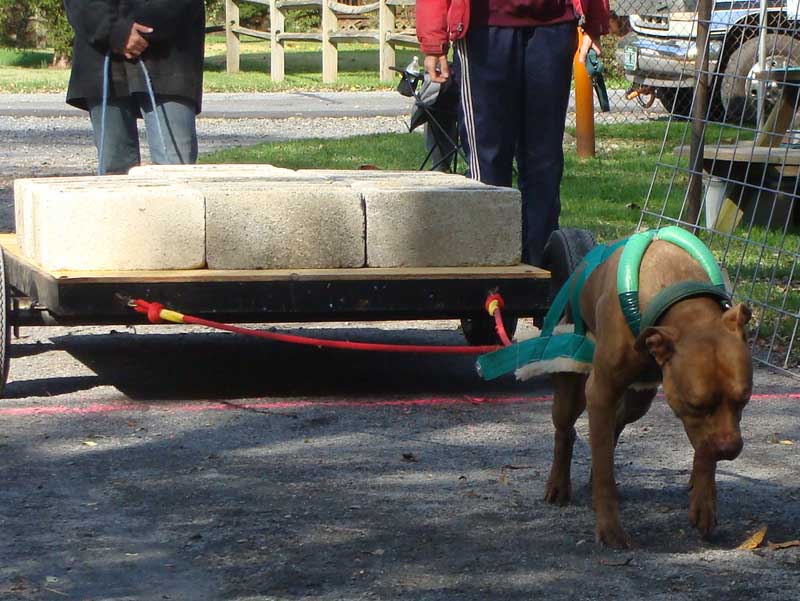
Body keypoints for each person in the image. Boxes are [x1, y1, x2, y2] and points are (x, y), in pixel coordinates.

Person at [416, 0, 609, 265]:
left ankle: (541, 281)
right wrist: (433, 39)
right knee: (488, 168)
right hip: (483, 30)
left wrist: (594, 23)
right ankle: (489, 279)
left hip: (553, 27)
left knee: (545, 164)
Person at [64, 1, 205, 175]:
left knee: (175, 172)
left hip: (170, 58)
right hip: (102, 60)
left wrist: (140, 28)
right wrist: (113, 30)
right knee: (114, 174)